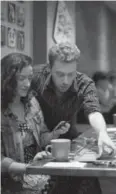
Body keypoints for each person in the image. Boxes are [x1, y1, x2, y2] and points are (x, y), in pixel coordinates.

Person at [31, 42, 116, 194]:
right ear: (49, 68)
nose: (65, 80)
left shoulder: (84, 82)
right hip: (36, 141)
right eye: (60, 74)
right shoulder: (35, 77)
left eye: (71, 74)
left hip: (67, 140)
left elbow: (94, 111)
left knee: (88, 180)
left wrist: (102, 132)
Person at [1, 53, 69, 194]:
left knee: (80, 180)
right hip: (13, 179)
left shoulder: (32, 103)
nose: (27, 84)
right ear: (8, 80)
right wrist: (28, 167)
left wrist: (55, 134)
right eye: (21, 78)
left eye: (29, 78)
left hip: (35, 169)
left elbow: (40, 137)